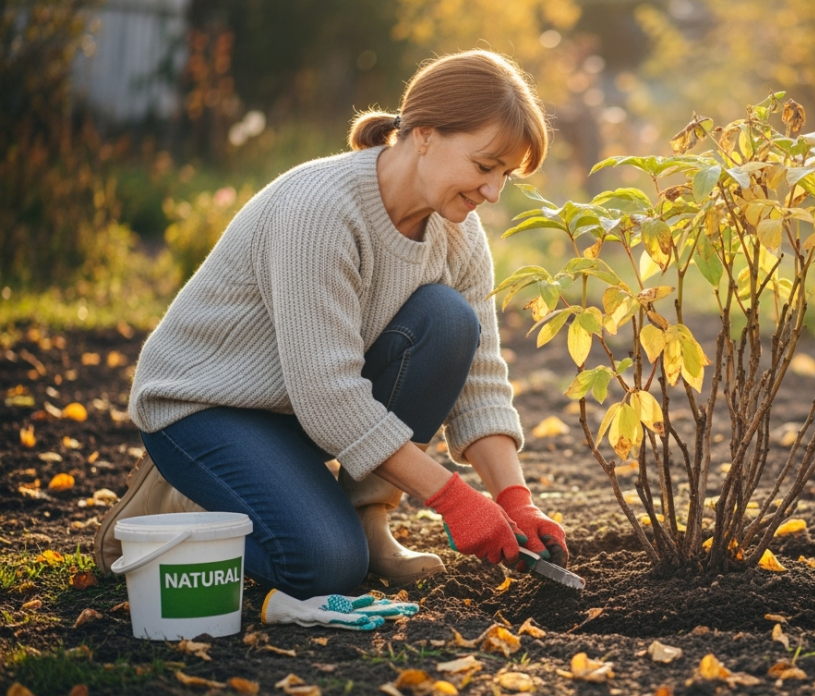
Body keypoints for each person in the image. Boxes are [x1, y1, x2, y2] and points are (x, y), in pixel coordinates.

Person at [92, 49, 567, 602]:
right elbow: (330, 395)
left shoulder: (457, 233)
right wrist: (455, 500)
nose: (492, 192)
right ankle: (187, 510)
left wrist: (515, 499)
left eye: (504, 175)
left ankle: (367, 519)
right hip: (206, 410)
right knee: (326, 567)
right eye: (484, 166)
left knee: (449, 321)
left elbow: (479, 379)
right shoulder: (323, 210)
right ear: (425, 135)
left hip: (298, 415)